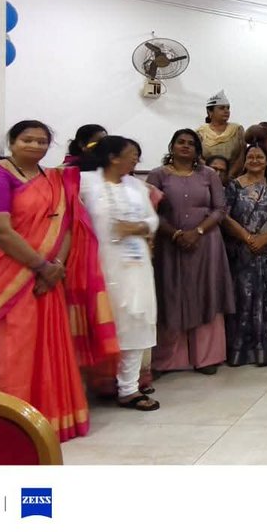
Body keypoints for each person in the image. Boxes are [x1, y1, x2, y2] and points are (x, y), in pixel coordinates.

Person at [0, 121, 118, 441]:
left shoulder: (55, 179)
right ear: (11, 142)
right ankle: (10, 423)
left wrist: (56, 265)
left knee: (47, 347)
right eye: (26, 140)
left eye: (42, 141)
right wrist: (40, 266)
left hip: (47, 276)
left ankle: (48, 418)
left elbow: (68, 224)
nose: (34, 146)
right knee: (12, 350)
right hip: (5, 277)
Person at [79, 136, 160, 412]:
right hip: (98, 265)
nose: (135, 160)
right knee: (95, 322)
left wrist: (136, 227)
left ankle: (129, 389)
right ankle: (86, 385)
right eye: (131, 155)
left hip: (136, 266)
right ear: (113, 157)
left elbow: (152, 220)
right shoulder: (85, 183)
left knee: (136, 323)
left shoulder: (137, 186)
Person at [148, 129, 234, 375]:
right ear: (172, 146)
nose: (185, 147)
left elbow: (219, 209)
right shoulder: (157, 175)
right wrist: (175, 234)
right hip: (170, 243)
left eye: (190, 143)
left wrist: (197, 232)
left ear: (198, 150)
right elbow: (151, 211)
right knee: (172, 293)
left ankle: (207, 357)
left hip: (206, 242)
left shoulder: (209, 175)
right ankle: (169, 359)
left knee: (206, 293)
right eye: (180, 142)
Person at [222, 144, 267, 367]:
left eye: (259, 157)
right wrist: (247, 237)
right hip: (241, 250)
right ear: (244, 161)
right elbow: (223, 216)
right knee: (241, 298)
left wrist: (266, 237)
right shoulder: (234, 186)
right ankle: (238, 351)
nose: (254, 160)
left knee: (266, 299)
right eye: (250, 156)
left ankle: (264, 351)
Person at [197, 90, 247, 176]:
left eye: (228, 108)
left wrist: (229, 176)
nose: (226, 111)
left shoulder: (237, 130)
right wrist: (213, 174)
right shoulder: (200, 133)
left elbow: (242, 155)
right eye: (222, 108)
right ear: (210, 112)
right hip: (206, 177)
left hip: (233, 178)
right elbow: (197, 157)